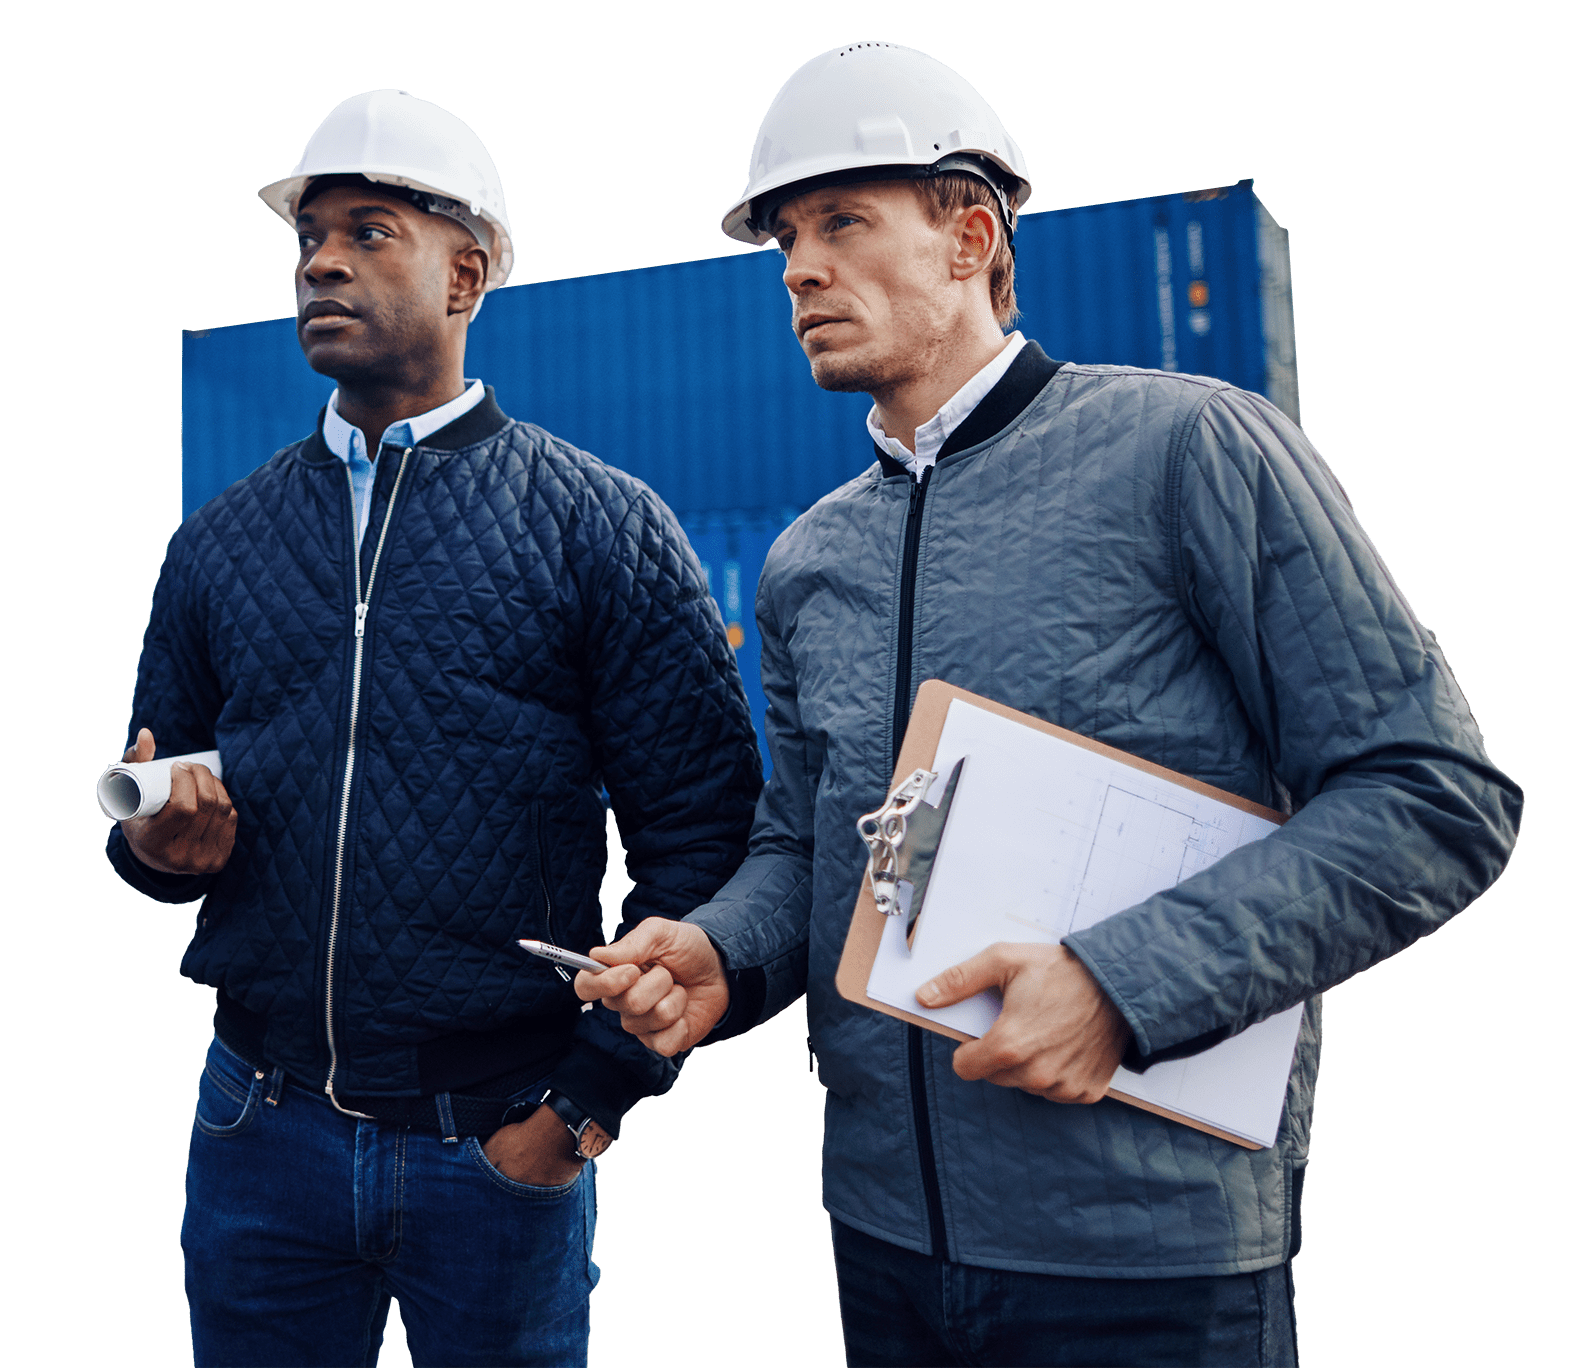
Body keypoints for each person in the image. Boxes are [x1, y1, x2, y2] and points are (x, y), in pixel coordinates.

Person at [577, 42, 1523, 1368]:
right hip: (886, 1241)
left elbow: (1433, 799)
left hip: (1155, 1260)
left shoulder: (1194, 451)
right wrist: (719, 953)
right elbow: (811, 847)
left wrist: (1121, 988)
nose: (798, 268)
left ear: (971, 237)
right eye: (786, 236)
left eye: (843, 222)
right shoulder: (808, 562)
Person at [108, 88, 761, 1368]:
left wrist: (582, 1106)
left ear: (466, 273)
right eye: (308, 238)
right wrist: (152, 853)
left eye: (368, 231)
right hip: (257, 1129)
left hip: (498, 1141)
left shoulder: (599, 525)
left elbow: (706, 843)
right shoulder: (220, 543)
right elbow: (152, 801)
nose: (322, 261)